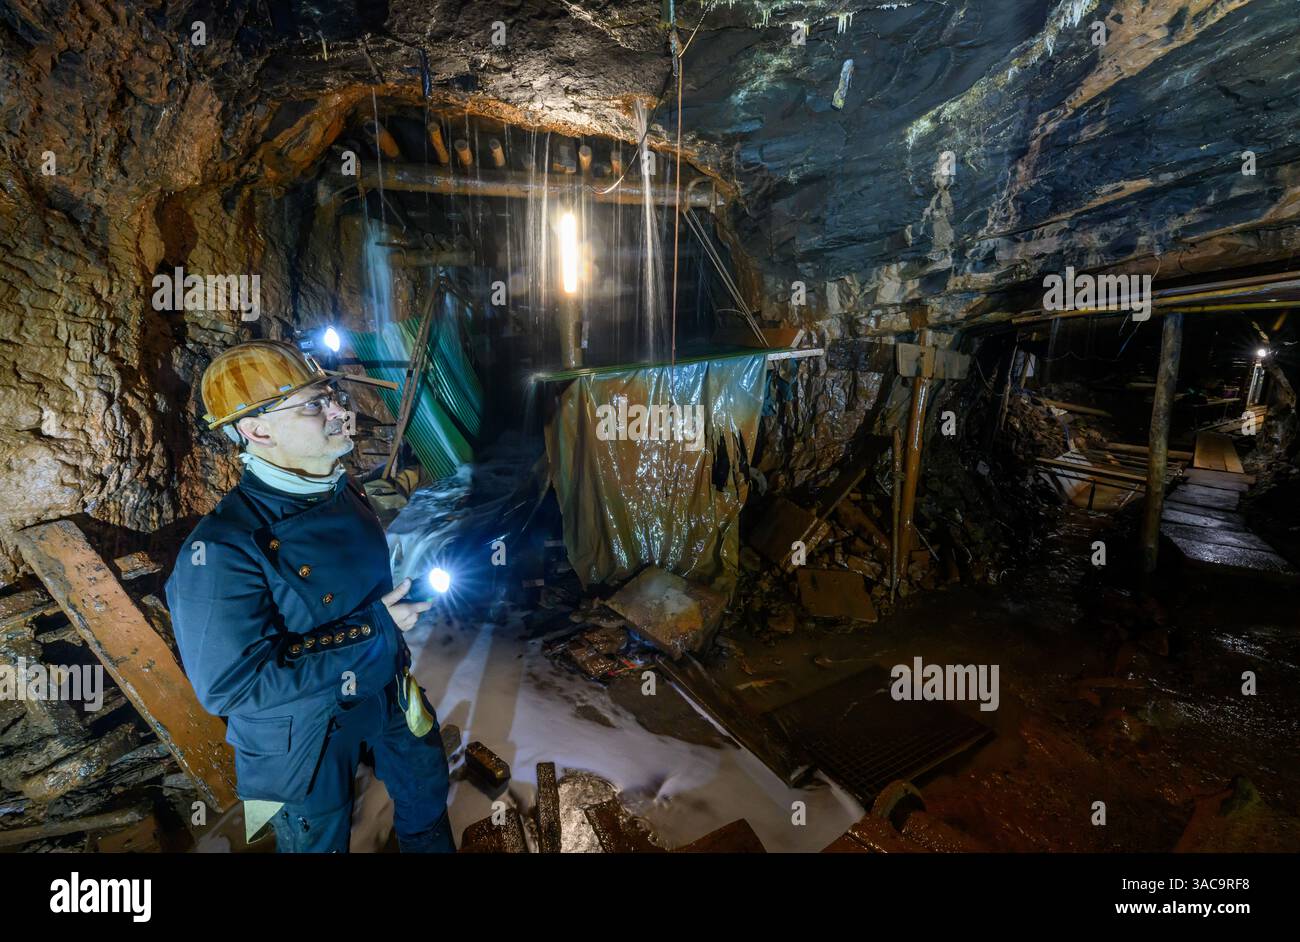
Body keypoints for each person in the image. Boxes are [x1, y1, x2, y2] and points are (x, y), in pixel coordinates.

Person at [165, 339, 454, 852]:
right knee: (317, 841)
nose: (342, 410)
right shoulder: (222, 549)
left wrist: (388, 637)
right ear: (256, 429)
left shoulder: (347, 490)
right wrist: (376, 626)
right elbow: (231, 686)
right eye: (314, 404)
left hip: (385, 688)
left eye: (333, 394)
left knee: (427, 792)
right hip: (302, 731)